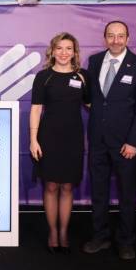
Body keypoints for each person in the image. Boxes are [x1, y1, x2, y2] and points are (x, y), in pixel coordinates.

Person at [83, 21, 136, 260]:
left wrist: (133, 142)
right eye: (111, 36)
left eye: (120, 36)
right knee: (98, 191)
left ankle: (125, 240)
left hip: (126, 144)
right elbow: (93, 98)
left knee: (127, 193)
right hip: (97, 140)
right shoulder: (94, 62)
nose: (115, 40)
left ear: (128, 39)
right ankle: (100, 236)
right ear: (105, 38)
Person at [29, 33, 89, 254]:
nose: (64, 53)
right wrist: (33, 140)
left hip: (73, 137)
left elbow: (92, 104)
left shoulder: (83, 76)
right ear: (52, 51)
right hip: (48, 137)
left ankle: (64, 231)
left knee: (67, 186)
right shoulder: (43, 76)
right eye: (59, 48)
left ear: (75, 52)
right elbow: (36, 109)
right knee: (51, 185)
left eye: (68, 48)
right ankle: (53, 232)